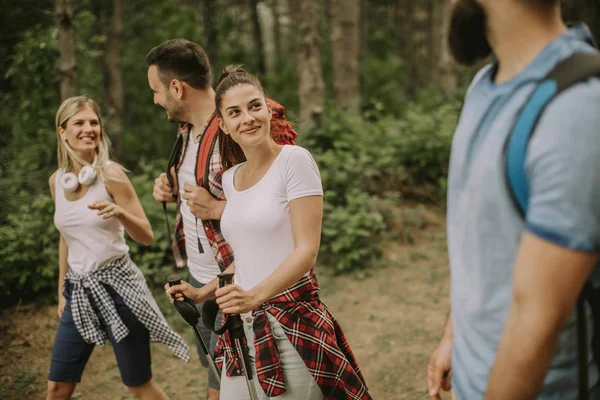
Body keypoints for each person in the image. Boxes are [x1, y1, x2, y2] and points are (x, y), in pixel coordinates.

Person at [426, 1, 600, 399]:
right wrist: (455, 334)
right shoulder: (484, 85)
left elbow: (536, 318)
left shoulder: (578, 107)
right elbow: (483, 240)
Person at [167, 65, 371, 400]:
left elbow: (306, 251)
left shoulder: (294, 161)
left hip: (292, 323)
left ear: (267, 108)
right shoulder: (231, 179)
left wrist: (256, 296)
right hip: (242, 328)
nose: (247, 118)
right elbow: (247, 256)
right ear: (224, 124)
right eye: (235, 112)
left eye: (254, 106)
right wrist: (202, 293)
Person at [146, 39, 296, 400]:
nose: (155, 99)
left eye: (156, 90)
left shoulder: (235, 131)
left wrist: (218, 209)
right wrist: (168, 186)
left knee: (238, 383)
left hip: (239, 282)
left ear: (177, 88)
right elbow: (200, 188)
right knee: (219, 373)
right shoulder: (186, 133)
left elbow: (277, 208)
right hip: (201, 278)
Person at [46, 95, 189, 400]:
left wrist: (120, 213)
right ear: (62, 131)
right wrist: (62, 290)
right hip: (79, 290)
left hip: (120, 288)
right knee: (57, 387)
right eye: (79, 123)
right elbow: (66, 237)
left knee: (137, 384)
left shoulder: (111, 175)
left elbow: (147, 235)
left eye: (94, 122)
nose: (89, 129)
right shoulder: (57, 181)